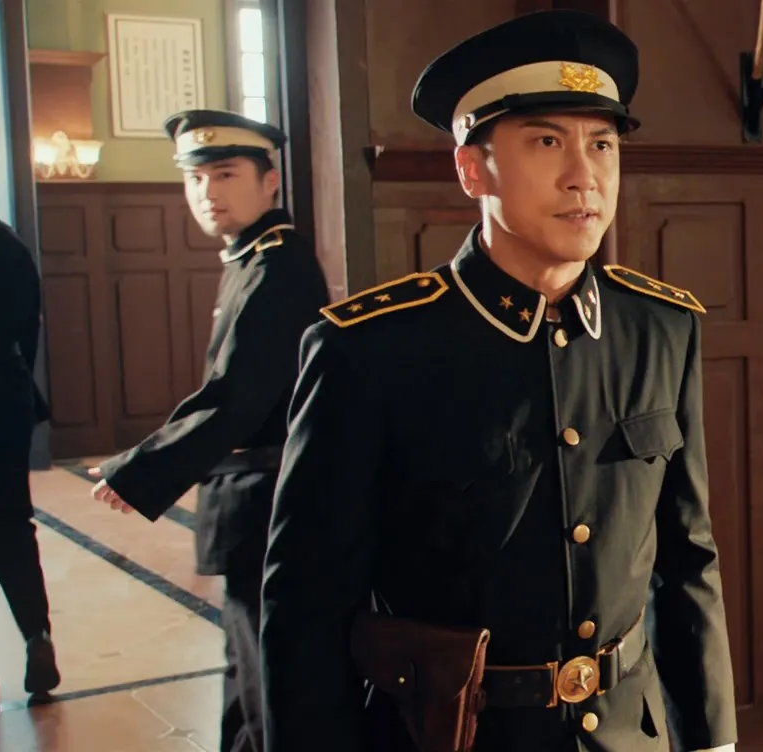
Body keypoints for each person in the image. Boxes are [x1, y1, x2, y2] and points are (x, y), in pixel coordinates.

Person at [258, 10, 737, 752]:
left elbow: (687, 558)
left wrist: (712, 738)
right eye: (547, 141)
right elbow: (307, 610)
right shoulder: (370, 350)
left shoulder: (661, 328)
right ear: (473, 170)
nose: (584, 175)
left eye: (602, 144)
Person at [84, 109, 329, 750]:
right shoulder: (251, 256)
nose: (207, 192)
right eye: (195, 179)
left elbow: (238, 396)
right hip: (248, 497)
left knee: (264, 682)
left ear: (270, 180)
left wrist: (143, 468)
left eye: (225, 174)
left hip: (265, 499)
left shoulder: (278, 266)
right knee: (243, 674)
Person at [0, 218, 59, 698]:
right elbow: (27, 331)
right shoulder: (7, 243)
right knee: (12, 523)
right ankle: (37, 635)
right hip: (5, 395)